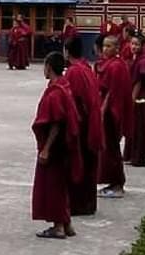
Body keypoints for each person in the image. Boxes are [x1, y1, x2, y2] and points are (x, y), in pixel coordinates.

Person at [32, 52, 82, 239]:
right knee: (61, 184)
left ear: (49, 67)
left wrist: (46, 148)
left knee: (53, 185)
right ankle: (67, 223)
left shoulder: (55, 93)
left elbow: (56, 122)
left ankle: (58, 226)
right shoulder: (64, 86)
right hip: (64, 146)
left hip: (55, 147)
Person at [64, 37, 103, 218]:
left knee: (78, 165)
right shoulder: (86, 68)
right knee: (88, 165)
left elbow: (71, 101)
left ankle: (78, 205)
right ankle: (88, 204)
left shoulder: (73, 72)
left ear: (66, 51)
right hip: (91, 121)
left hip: (81, 124)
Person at [95, 34, 132, 198]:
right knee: (108, 149)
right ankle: (113, 182)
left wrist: (102, 111)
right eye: (104, 46)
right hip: (106, 110)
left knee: (112, 149)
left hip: (111, 113)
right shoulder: (107, 64)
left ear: (117, 48)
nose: (105, 49)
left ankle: (117, 185)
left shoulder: (116, 66)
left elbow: (112, 92)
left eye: (109, 46)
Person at [123, 34, 145, 167]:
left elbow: (140, 81)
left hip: (140, 98)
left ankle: (138, 158)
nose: (134, 47)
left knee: (138, 129)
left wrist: (133, 98)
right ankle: (130, 155)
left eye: (137, 44)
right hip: (136, 96)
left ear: (143, 46)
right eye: (132, 44)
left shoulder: (143, 61)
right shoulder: (136, 58)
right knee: (133, 128)